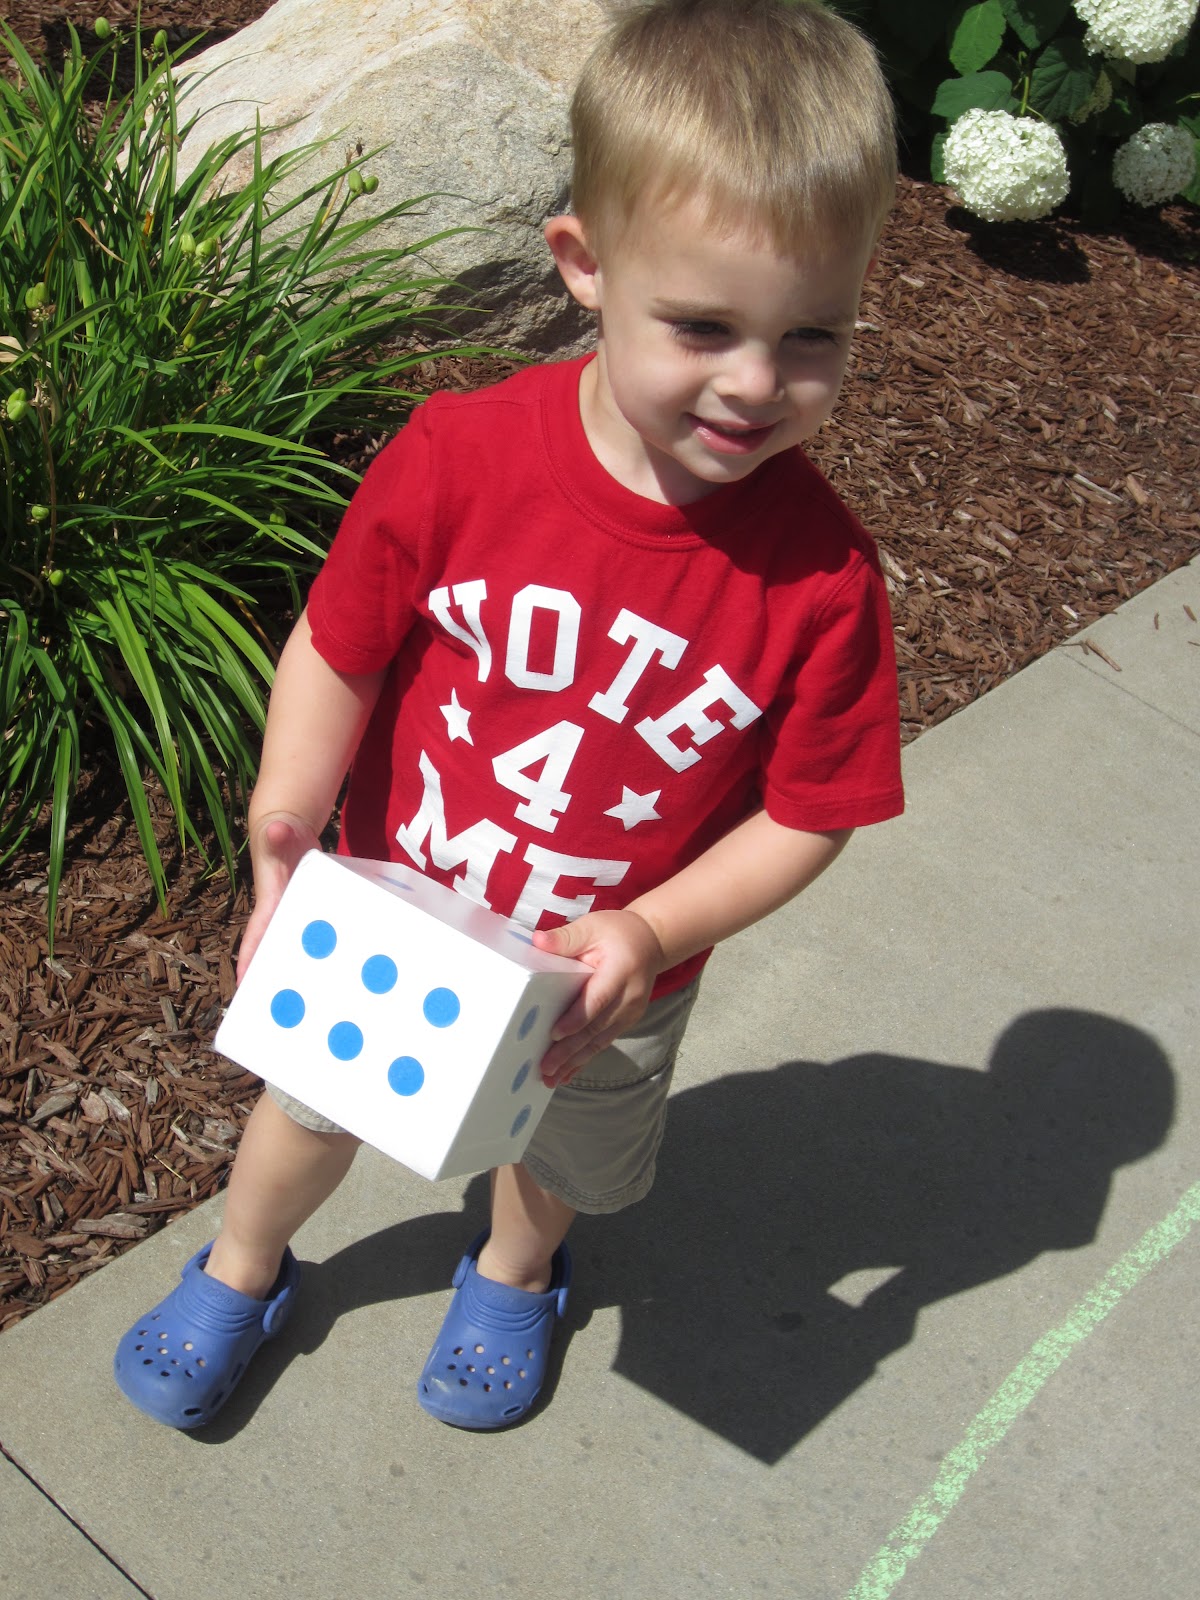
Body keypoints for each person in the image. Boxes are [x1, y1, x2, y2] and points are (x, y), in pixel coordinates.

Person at [114, 0, 905, 1432]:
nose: (753, 381)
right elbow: (338, 649)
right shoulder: (461, 458)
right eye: (705, 326)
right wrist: (285, 822)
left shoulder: (824, 581)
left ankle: (515, 1268)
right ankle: (244, 1263)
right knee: (305, 1107)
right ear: (583, 265)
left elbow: (811, 814)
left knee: (557, 1153)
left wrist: (655, 930)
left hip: (606, 979)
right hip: (398, 906)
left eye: (811, 337)